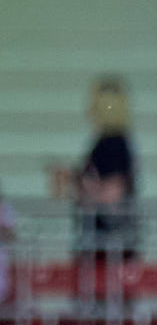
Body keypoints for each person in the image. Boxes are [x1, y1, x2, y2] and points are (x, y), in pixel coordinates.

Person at [49, 76, 138, 279]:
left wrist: (80, 185)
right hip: (99, 241)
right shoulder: (108, 142)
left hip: (108, 243)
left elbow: (113, 192)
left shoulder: (114, 143)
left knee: (104, 302)